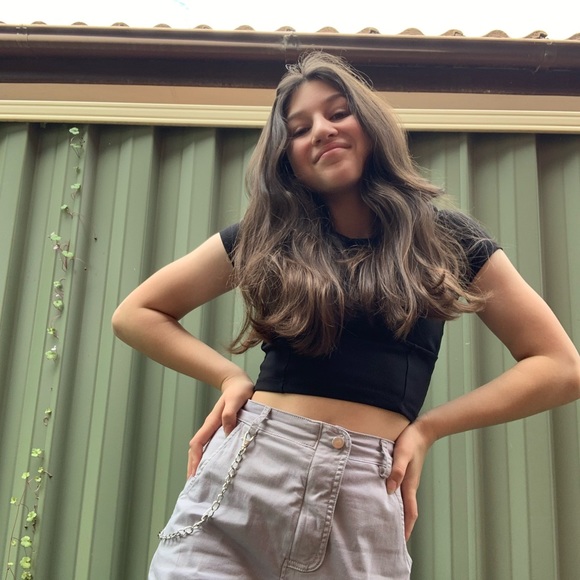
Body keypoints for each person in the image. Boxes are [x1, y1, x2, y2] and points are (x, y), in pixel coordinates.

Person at [112, 52, 580, 579]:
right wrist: (227, 376)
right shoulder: (268, 236)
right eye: (299, 128)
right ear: (286, 156)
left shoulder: (445, 237)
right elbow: (137, 313)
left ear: (371, 125)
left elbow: (561, 367)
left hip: (364, 492)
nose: (321, 130)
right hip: (249, 472)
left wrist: (428, 430)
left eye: (338, 113)